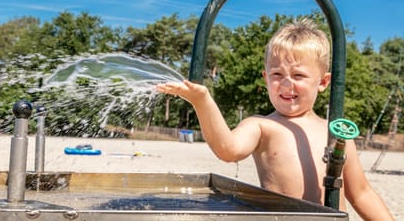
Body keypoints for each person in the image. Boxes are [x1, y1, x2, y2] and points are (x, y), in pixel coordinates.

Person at [156, 19, 394, 220]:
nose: (287, 84)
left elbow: (361, 194)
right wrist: (203, 101)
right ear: (266, 78)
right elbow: (227, 149)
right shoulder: (261, 126)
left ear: (323, 82)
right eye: (277, 74)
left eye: (299, 75)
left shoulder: (336, 133)